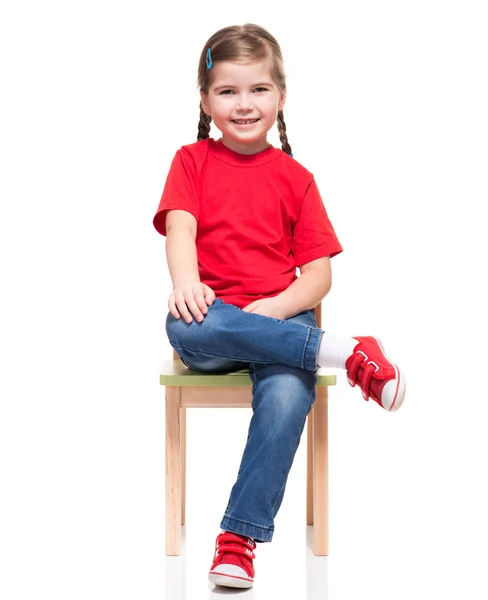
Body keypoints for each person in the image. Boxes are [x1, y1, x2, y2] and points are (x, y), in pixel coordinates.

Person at [153, 23, 406, 589]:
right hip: (213, 318)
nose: (244, 104)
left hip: (282, 317)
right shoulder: (190, 162)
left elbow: (319, 276)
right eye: (227, 91)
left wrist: (276, 308)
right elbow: (179, 228)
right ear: (205, 99)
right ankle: (345, 351)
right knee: (183, 324)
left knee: (291, 389)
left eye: (259, 90)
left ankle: (238, 539)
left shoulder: (298, 179)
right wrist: (186, 281)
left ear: (281, 97)